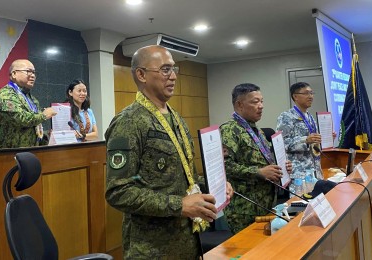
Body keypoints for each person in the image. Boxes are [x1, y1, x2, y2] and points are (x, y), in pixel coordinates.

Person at [105, 45, 233, 259]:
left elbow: (185, 177)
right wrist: (179, 205)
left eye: (174, 69)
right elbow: (118, 192)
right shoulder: (129, 122)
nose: (173, 76)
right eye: (165, 70)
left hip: (188, 241)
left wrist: (214, 186)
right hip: (152, 249)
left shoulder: (176, 119)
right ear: (141, 74)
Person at [220, 83, 291, 234]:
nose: (261, 106)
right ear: (239, 104)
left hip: (265, 204)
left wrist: (280, 168)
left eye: (262, 101)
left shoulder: (257, 130)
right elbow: (224, 167)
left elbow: (263, 161)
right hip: (244, 209)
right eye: (255, 102)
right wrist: (258, 172)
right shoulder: (229, 130)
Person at [0, 59, 57, 148]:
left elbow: (34, 126)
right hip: (9, 154)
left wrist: (47, 135)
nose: (33, 75)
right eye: (28, 71)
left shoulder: (32, 99)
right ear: (14, 74)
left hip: (31, 151)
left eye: (34, 72)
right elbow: (21, 119)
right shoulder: (5, 95)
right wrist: (43, 115)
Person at [276, 82, 323, 185]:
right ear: (295, 96)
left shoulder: (310, 117)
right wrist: (305, 140)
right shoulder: (286, 117)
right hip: (299, 174)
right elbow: (282, 144)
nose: (310, 96)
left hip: (315, 171)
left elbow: (313, 142)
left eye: (311, 93)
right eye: (306, 93)